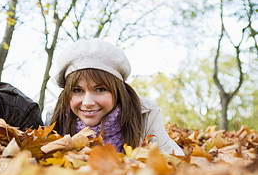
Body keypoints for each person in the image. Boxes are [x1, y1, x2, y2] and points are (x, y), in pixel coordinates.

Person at [50, 38, 184, 156]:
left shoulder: (144, 114)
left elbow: (174, 161)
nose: (88, 102)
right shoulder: (54, 118)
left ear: (118, 91)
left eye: (100, 89)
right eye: (78, 90)